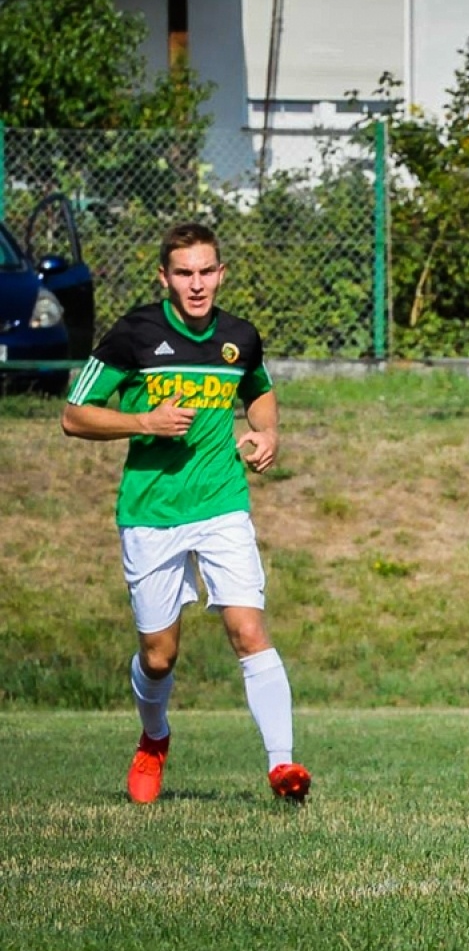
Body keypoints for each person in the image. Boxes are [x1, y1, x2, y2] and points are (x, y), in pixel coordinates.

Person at [61, 223, 311, 805]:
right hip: (151, 512)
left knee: (248, 630)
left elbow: (259, 390)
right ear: (165, 277)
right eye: (184, 273)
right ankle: (154, 738)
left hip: (222, 505)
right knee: (159, 654)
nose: (196, 284)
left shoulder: (239, 337)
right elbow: (75, 416)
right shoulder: (134, 335)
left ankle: (283, 767)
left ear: (221, 273)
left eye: (206, 271)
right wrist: (142, 422)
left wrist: (266, 432)